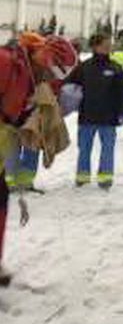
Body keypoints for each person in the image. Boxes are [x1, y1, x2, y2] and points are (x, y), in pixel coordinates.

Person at [0, 32, 78, 286]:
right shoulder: (7, 63)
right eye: (51, 73)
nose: (51, 80)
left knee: (1, 203)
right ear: (45, 59)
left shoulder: (33, 80)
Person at [65, 33, 123, 190]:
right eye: (105, 44)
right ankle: (82, 177)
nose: (108, 46)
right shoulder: (84, 67)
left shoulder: (116, 68)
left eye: (109, 44)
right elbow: (69, 87)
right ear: (95, 46)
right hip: (87, 117)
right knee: (84, 148)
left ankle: (105, 178)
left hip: (109, 118)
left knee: (107, 149)